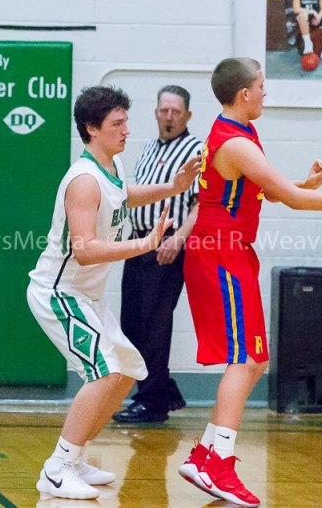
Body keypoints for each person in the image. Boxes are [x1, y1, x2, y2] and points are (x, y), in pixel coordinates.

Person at [178, 57, 322, 507]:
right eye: (261, 86)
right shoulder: (235, 142)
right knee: (245, 359)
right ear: (244, 94)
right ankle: (218, 464)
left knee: (254, 360)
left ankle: (204, 455)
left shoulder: (240, 133)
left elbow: (268, 191)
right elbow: (289, 200)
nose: (265, 92)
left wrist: (307, 184)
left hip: (229, 250)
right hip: (218, 251)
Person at [27, 85, 200, 500]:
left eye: (126, 121)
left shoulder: (112, 165)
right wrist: (144, 244)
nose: (126, 130)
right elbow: (85, 251)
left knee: (126, 371)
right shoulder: (83, 181)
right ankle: (57, 468)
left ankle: (76, 456)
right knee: (105, 372)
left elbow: (125, 195)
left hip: (87, 297)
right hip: (59, 294)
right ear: (92, 128)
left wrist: (174, 186)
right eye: (117, 123)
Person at [112, 86, 203, 424]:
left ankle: (152, 402)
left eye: (176, 111)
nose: (169, 116)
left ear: (187, 116)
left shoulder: (196, 150)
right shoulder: (149, 147)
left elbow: (201, 204)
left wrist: (177, 239)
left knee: (154, 324)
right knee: (132, 322)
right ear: (155, 113)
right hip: (138, 243)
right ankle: (163, 391)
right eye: (164, 110)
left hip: (166, 247)